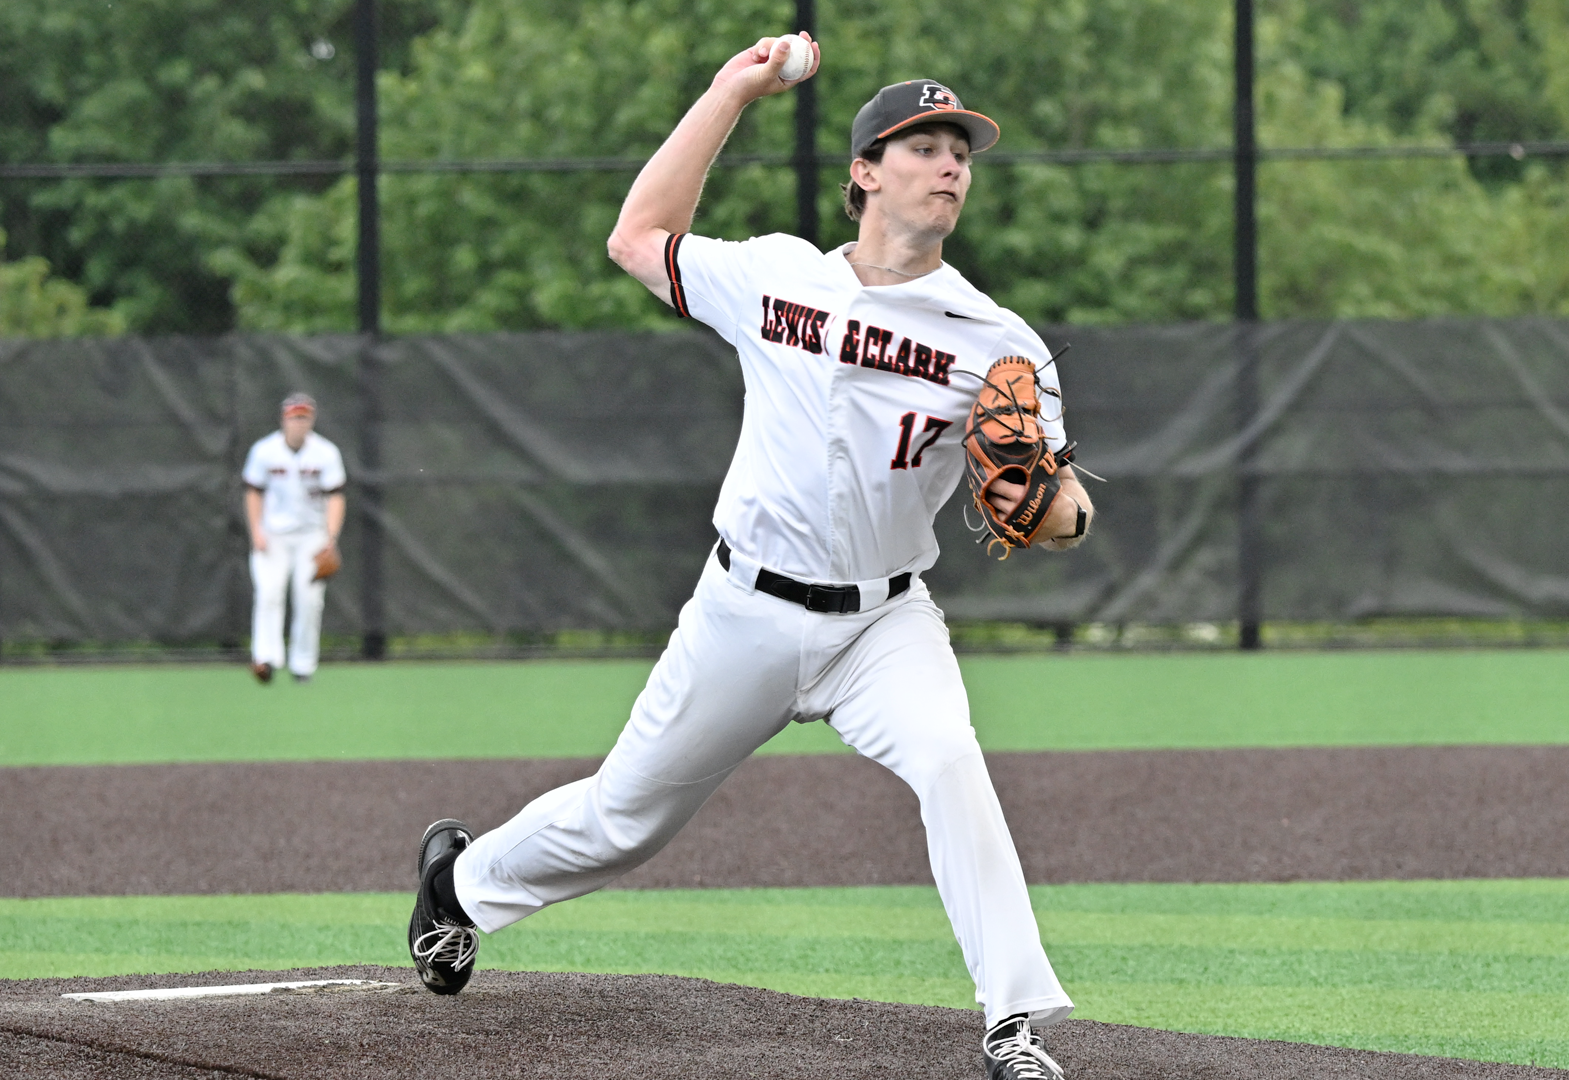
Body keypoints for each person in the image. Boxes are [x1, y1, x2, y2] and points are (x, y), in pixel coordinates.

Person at [406, 34, 1094, 1080]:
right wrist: (733, 87)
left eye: (962, 149)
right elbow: (638, 237)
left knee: (953, 762)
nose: (952, 163)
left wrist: (1052, 510)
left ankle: (1014, 1025)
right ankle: (458, 888)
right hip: (745, 612)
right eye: (925, 145)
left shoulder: (995, 340)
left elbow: (1067, 503)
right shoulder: (775, 277)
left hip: (883, 624)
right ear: (865, 173)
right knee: (621, 821)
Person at [241, 392, 346, 685]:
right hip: (273, 534)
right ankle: (266, 659)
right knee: (268, 594)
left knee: (309, 600)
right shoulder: (264, 450)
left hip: (312, 535)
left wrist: (331, 538)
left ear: (311, 420)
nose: (299, 422)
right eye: (294, 417)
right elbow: (253, 492)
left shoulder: (326, 453)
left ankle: (303, 666)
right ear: (283, 419)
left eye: (304, 417)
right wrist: (256, 531)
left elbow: (336, 497)